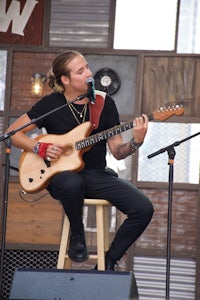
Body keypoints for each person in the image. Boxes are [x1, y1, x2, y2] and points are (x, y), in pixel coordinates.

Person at [7, 50, 154, 271]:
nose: (89, 73)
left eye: (87, 67)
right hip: (60, 177)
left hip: (95, 175)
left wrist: (136, 142)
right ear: (65, 80)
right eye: (81, 70)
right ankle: (78, 233)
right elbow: (12, 133)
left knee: (143, 208)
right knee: (71, 182)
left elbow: (117, 151)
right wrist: (40, 147)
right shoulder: (51, 104)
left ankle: (109, 261)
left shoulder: (104, 103)